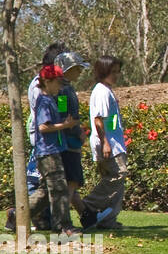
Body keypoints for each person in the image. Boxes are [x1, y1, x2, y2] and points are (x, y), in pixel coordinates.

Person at [26, 64, 80, 237]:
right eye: (58, 83)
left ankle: (18, 215)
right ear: (47, 82)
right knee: (59, 189)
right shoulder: (44, 101)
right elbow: (43, 127)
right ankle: (62, 227)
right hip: (47, 152)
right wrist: (65, 125)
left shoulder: (50, 99)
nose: (60, 86)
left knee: (44, 191)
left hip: (54, 149)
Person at [81, 55, 128, 232]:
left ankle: (108, 220)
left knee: (118, 182)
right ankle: (87, 205)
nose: (116, 75)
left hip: (116, 142)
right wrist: (106, 143)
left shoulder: (107, 90)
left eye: (117, 72)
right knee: (116, 176)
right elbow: (98, 120)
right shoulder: (101, 91)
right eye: (112, 72)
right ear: (103, 72)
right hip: (110, 144)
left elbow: (111, 120)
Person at [52, 52, 90, 225]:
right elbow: (64, 116)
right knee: (72, 182)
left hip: (67, 141)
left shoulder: (64, 88)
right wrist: (78, 132)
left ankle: (87, 217)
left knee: (71, 184)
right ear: (66, 70)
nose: (80, 71)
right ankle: (62, 222)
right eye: (76, 68)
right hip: (69, 143)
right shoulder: (63, 91)